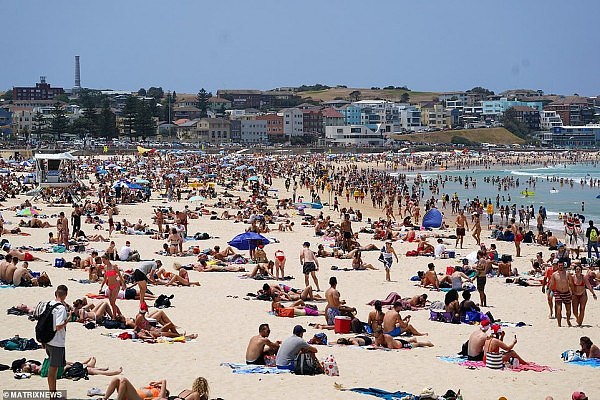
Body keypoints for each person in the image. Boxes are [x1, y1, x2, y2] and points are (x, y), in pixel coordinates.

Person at [45, 285, 71, 393]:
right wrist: (68, 320)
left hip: (48, 340)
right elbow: (59, 326)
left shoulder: (49, 304)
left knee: (53, 367)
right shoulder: (61, 308)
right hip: (56, 342)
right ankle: (53, 393)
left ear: (56, 293)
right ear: (65, 295)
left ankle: (53, 392)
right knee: (53, 369)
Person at [549, 260, 572, 327]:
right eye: (559, 265)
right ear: (557, 266)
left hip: (566, 292)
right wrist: (549, 293)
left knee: (568, 310)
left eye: (562, 265)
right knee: (559, 309)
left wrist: (572, 292)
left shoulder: (567, 273)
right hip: (558, 292)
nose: (560, 267)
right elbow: (552, 284)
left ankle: (568, 320)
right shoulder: (554, 274)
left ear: (563, 265)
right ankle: (559, 324)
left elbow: (570, 283)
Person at [102, 377, 167, 400]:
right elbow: (141, 388)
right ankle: (104, 398)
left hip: (138, 398)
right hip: (130, 395)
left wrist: (157, 383)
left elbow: (164, 381)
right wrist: (154, 385)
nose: (159, 387)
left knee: (124, 380)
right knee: (116, 379)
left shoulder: (160, 395)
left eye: (161, 388)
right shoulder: (151, 388)